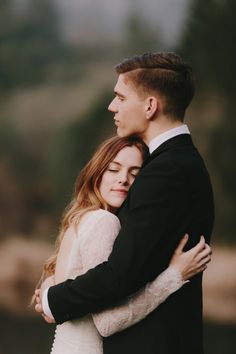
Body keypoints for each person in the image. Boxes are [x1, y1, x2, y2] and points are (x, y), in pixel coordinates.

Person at [35, 52, 214, 354]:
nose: (112, 106)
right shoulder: (180, 162)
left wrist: (54, 299)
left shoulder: (165, 171)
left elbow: (121, 274)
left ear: (150, 106)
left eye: (120, 97)